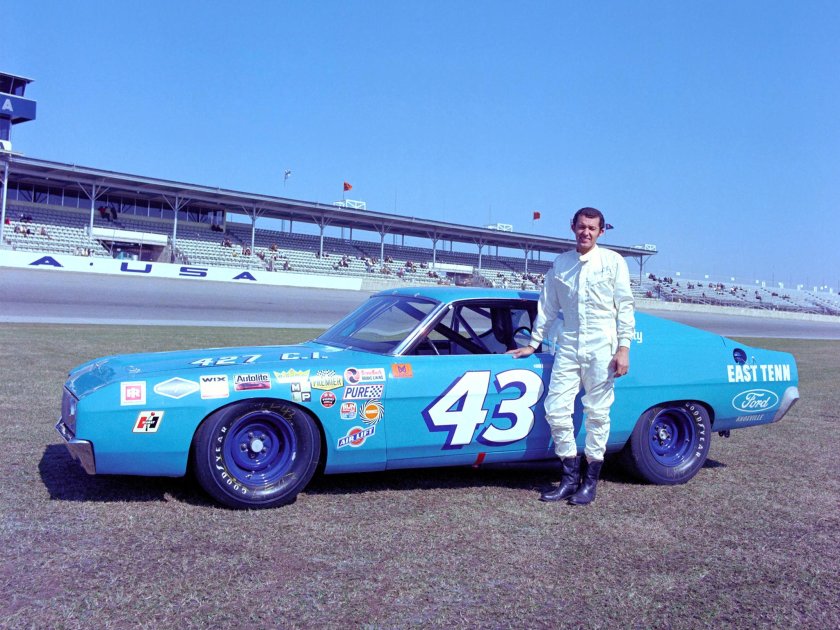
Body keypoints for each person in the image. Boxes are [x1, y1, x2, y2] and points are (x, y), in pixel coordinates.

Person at [509, 207, 634, 506]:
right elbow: (548, 306)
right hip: (569, 342)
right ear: (573, 227)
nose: (586, 232)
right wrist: (534, 342)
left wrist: (624, 348)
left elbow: (625, 306)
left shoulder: (614, 262)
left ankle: (589, 483)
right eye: (581, 227)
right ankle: (568, 478)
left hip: (603, 344)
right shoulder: (561, 263)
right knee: (555, 409)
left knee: (597, 414)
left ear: (601, 231)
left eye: (592, 228)